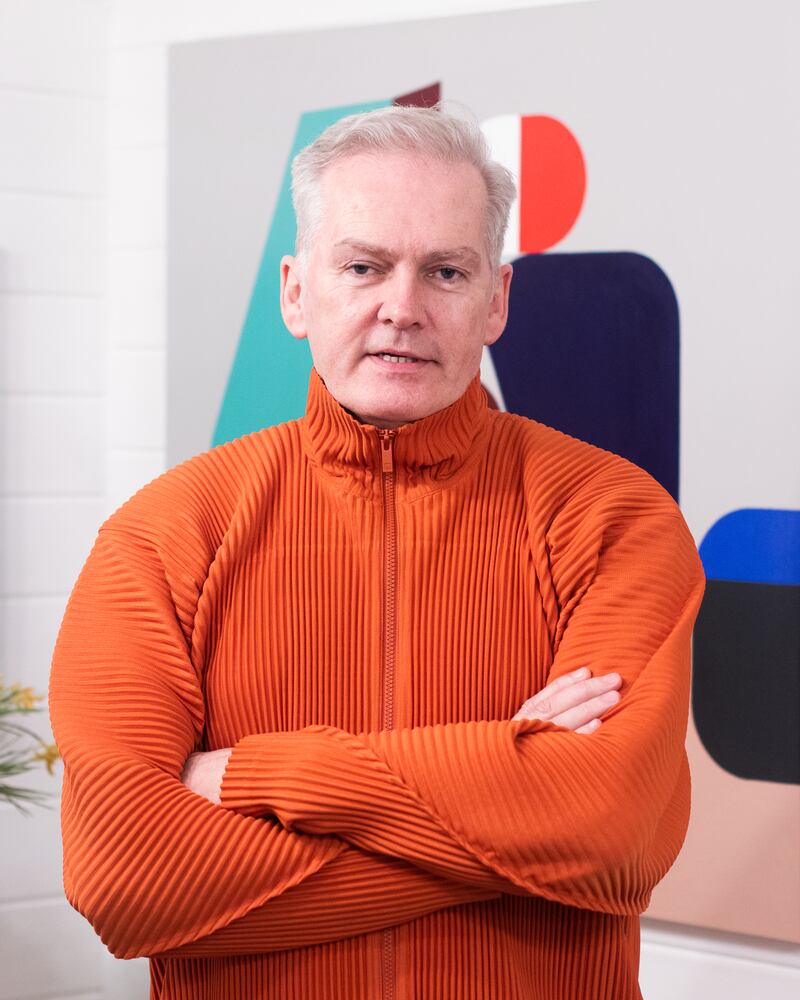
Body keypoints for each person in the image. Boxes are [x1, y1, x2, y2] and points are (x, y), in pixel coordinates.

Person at [49, 105, 705, 1000]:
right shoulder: (165, 535)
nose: (402, 308)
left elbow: (612, 833)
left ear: (497, 301)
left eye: (446, 271)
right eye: (362, 267)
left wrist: (256, 773)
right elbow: (124, 879)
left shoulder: (614, 518)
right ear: (295, 293)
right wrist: (516, 809)